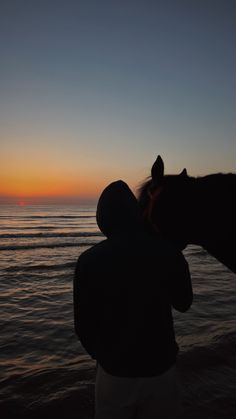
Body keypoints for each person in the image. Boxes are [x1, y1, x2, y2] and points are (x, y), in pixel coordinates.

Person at [73, 180, 193, 419]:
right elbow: (184, 303)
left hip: (114, 372)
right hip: (161, 369)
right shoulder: (169, 252)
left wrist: (104, 356)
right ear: (137, 214)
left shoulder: (88, 260)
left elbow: (83, 326)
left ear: (103, 219)